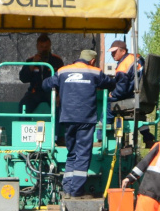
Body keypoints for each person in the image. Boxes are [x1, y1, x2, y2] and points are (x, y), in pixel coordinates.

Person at [42, 49, 117, 198]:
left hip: (67, 118)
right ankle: (76, 191)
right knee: (83, 153)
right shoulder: (95, 71)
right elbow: (110, 83)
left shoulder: (63, 71)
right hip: (85, 119)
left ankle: (68, 187)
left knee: (72, 152)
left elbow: (46, 84)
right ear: (92, 60)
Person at [107, 39, 150, 143]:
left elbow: (121, 90)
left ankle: (101, 137)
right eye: (112, 52)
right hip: (143, 96)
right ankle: (147, 136)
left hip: (131, 96)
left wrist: (112, 94)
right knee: (139, 115)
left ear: (123, 51)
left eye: (115, 52)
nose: (113, 55)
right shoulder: (138, 58)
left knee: (108, 104)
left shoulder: (123, 65)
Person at [18, 33, 64, 114]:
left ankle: (57, 127)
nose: (44, 49)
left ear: (50, 46)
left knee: (60, 106)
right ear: (37, 47)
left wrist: (60, 96)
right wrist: (33, 63)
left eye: (46, 47)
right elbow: (23, 78)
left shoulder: (57, 61)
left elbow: (62, 80)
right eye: (41, 47)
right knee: (23, 105)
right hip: (35, 91)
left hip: (52, 91)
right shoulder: (30, 60)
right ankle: (24, 125)